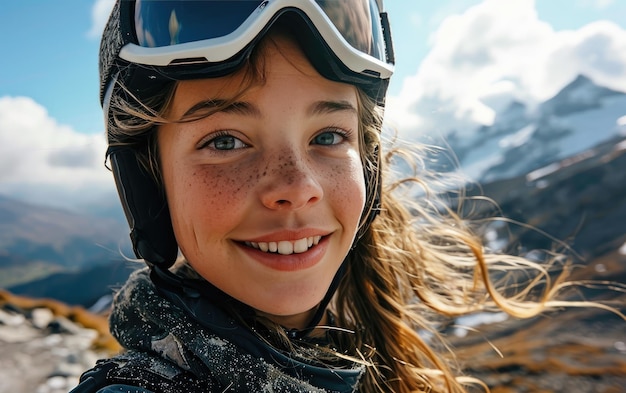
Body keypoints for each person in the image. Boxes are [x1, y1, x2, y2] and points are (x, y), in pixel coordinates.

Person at [70, 1, 608, 392]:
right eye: (225, 141)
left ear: (368, 167)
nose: (298, 187)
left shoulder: (364, 355)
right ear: (147, 181)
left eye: (329, 136)